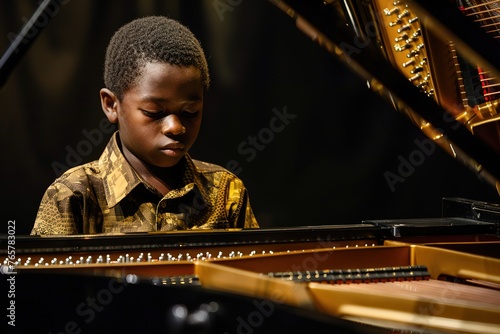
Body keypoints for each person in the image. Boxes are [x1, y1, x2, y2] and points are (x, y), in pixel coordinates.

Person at [31, 16, 259, 235]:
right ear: (111, 105)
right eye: (155, 112)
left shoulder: (225, 192)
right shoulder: (75, 196)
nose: (175, 127)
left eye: (190, 113)